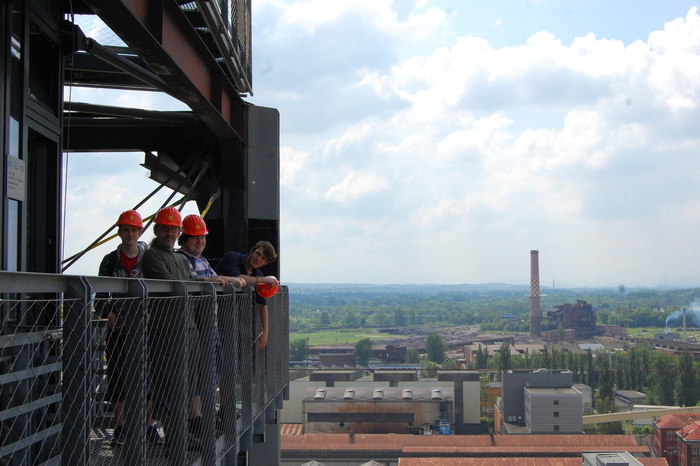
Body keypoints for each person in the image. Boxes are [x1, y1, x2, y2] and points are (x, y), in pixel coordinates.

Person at [141, 207, 228, 447]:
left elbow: (188, 282)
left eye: (173, 229)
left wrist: (205, 281)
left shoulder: (179, 259)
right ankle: (174, 436)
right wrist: (205, 281)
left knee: (188, 382)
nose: (169, 234)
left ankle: (182, 431)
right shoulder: (152, 256)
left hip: (188, 326)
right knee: (168, 383)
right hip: (165, 328)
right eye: (165, 229)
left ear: (178, 232)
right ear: (157, 230)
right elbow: (173, 284)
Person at [97, 210, 162, 447]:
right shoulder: (109, 261)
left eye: (134, 230)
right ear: (120, 232)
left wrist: (150, 312)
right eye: (126, 230)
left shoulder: (149, 259)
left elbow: (159, 290)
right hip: (118, 330)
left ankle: (148, 426)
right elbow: (100, 296)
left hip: (146, 329)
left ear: (140, 232)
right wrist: (109, 314)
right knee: (118, 377)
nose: (130, 234)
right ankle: (121, 427)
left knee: (150, 378)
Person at [175, 214, 245, 428]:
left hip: (208, 322)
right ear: (184, 238)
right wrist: (213, 280)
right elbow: (189, 282)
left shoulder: (201, 260)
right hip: (197, 322)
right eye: (195, 237)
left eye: (202, 237)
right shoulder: (182, 259)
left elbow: (215, 278)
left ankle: (205, 414)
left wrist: (232, 280)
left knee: (212, 368)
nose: (200, 241)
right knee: (200, 370)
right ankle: (197, 416)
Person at [214, 241, 278, 350]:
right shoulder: (232, 257)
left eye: (263, 258)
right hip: (209, 312)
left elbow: (262, 305)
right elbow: (238, 277)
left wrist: (265, 330)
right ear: (252, 251)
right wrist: (263, 280)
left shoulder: (258, 275)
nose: (258, 258)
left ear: (265, 263)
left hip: (228, 320)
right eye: (258, 253)